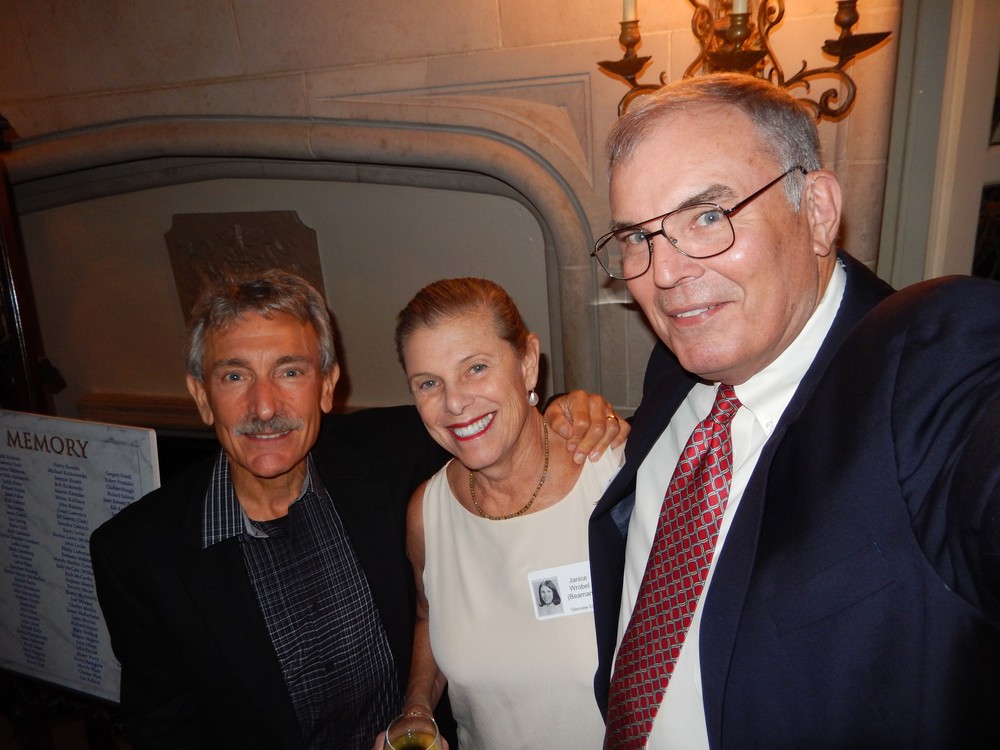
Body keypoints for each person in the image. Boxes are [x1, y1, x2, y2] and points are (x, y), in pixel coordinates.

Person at [588, 72, 1000, 749]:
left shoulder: (928, 366)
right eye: (638, 237)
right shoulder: (679, 365)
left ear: (816, 211)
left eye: (708, 216)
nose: (663, 275)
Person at [89, 269, 624, 750]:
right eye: (234, 376)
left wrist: (573, 409)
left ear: (327, 385)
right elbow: (164, 731)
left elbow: (493, 422)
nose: (265, 407)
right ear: (201, 395)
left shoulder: (389, 459)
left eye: (290, 372)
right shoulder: (138, 555)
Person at [392, 277, 624, 749]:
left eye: (475, 368)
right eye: (429, 383)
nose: (454, 403)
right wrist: (417, 707)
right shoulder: (427, 513)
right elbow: (428, 617)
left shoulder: (615, 478)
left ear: (528, 362)